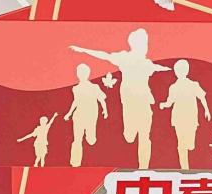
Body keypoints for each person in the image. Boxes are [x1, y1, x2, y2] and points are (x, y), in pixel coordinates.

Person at [70, 29, 169, 170]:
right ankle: (129, 132)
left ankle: (144, 169)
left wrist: (169, 69)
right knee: (129, 136)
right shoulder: (124, 58)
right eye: (144, 44)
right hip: (129, 104)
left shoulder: (147, 63)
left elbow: (158, 68)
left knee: (145, 135)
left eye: (146, 43)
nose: (146, 47)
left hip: (144, 103)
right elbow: (104, 56)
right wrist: (83, 50)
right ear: (135, 44)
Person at [159, 59, 210, 170]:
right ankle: (184, 168)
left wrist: (207, 110)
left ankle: (188, 149)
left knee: (190, 145)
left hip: (191, 118)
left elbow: (202, 97)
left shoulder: (194, 85)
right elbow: (169, 102)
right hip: (178, 118)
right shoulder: (173, 87)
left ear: (186, 71)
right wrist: (163, 105)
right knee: (181, 144)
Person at [64, 64, 108, 168]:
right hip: (78, 115)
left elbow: (101, 98)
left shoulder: (94, 87)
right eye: (79, 72)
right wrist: (69, 113)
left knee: (91, 140)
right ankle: (75, 163)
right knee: (77, 139)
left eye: (83, 72)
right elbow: (75, 101)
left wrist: (105, 110)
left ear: (88, 74)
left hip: (91, 115)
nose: (81, 74)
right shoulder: (76, 88)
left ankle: (91, 137)